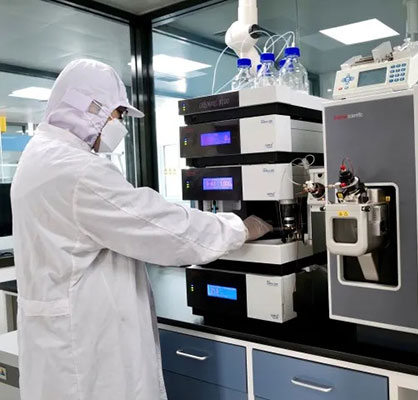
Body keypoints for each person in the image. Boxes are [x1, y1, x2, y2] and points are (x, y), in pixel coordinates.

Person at [10, 59, 272, 400]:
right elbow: (164, 229)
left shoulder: (38, 156)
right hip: (86, 354)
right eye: (118, 115)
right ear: (91, 107)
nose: (120, 127)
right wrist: (240, 228)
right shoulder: (77, 171)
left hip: (57, 341)